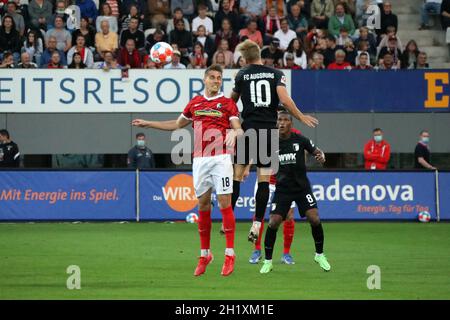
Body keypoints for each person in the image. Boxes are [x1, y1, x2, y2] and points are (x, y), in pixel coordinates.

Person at [132, 64, 243, 277]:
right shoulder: (195, 103)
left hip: (221, 158)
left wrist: (234, 134)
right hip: (200, 160)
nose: (216, 81)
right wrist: (149, 123)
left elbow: (238, 127)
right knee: (202, 204)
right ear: (204, 79)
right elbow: (176, 124)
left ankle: (230, 253)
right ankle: (205, 255)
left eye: (219, 78)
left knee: (224, 203)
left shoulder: (227, 104)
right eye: (212, 77)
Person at [230, 39, 318, 243]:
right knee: (263, 179)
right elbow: (285, 100)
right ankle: (257, 224)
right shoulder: (276, 74)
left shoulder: (242, 74)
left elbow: (230, 103)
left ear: (245, 58)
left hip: (247, 129)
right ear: (259, 54)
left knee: (236, 176)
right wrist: (300, 115)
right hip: (268, 132)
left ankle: (229, 220)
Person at [259, 111, 330, 274]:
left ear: (291, 124)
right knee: (274, 221)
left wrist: (321, 156)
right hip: (283, 189)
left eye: (285, 120)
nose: (282, 123)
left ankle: (319, 254)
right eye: (279, 120)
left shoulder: (300, 140)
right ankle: (268, 261)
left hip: (301, 188)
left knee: (314, 218)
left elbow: (317, 151)